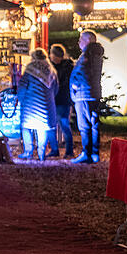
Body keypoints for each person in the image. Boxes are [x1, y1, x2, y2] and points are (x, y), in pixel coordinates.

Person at [70, 30, 105, 163]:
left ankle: (86, 153)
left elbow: (82, 73)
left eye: (81, 39)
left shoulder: (87, 55)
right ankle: (94, 153)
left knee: (84, 125)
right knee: (94, 124)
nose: (79, 42)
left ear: (88, 40)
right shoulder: (96, 54)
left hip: (83, 94)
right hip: (94, 93)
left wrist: (75, 86)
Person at [17, 49, 59, 161]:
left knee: (26, 127)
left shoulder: (30, 68)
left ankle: (28, 152)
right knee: (42, 128)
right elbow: (56, 88)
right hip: (46, 105)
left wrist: (21, 99)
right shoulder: (51, 70)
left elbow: (23, 85)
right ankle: (41, 153)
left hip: (30, 104)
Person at [49, 44, 75, 158]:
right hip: (64, 100)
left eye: (52, 54)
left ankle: (59, 150)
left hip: (59, 99)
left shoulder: (60, 68)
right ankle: (67, 150)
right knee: (63, 125)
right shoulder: (69, 66)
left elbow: (59, 83)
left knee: (57, 125)